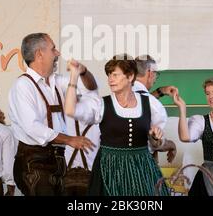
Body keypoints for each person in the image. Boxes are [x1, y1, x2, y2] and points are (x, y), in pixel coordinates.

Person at [64, 54, 170, 196]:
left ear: (130, 76)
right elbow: (70, 110)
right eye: (109, 75)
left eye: (115, 75)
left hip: (142, 168)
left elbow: (157, 143)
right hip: (109, 167)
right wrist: (74, 76)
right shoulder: (101, 104)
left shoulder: (150, 103)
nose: (110, 80)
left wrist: (156, 138)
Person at [8, 33, 96, 196]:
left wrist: (83, 72)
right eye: (53, 49)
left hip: (58, 160)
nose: (58, 53)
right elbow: (32, 127)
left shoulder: (57, 81)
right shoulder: (23, 86)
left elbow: (90, 88)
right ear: (39, 54)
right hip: (34, 161)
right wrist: (69, 139)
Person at [134, 55, 178, 163]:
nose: (155, 79)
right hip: (140, 166)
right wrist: (172, 145)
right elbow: (155, 143)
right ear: (150, 73)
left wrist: (161, 91)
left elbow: (140, 100)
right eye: (156, 75)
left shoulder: (118, 97)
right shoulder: (155, 107)